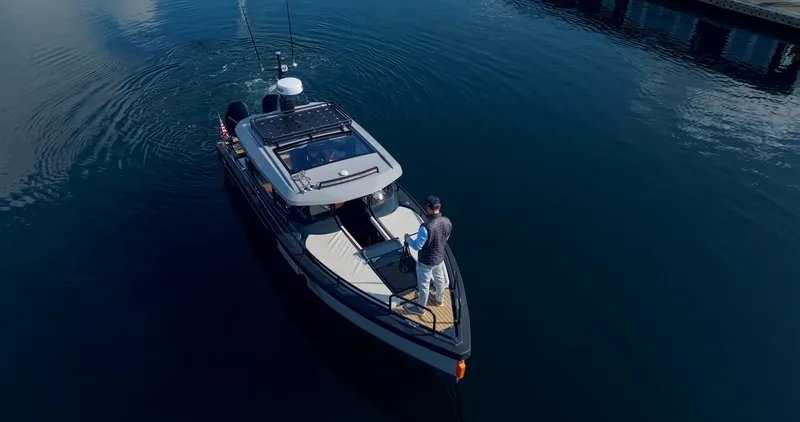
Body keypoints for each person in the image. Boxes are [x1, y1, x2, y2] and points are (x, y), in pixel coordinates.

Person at [404, 195, 453, 315]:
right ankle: (439, 300)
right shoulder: (447, 221)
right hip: (439, 258)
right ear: (439, 207)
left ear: (428, 208)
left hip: (426, 262)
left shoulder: (425, 227)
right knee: (440, 280)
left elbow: (417, 246)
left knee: (424, 285)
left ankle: (420, 309)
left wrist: (408, 239)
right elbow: (445, 238)